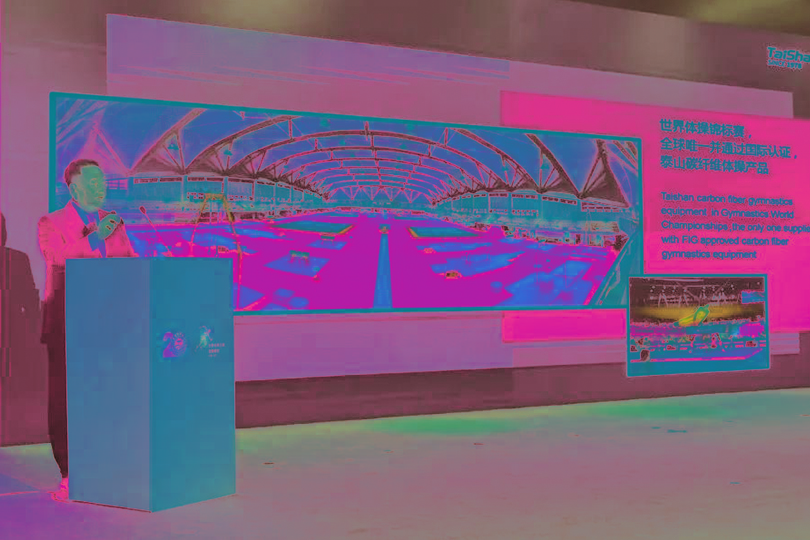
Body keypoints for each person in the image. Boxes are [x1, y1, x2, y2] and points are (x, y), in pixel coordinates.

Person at [37, 159, 137, 501]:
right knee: (66, 400)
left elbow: (129, 262)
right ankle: (70, 472)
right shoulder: (51, 222)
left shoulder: (114, 222)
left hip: (111, 323)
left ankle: (107, 464)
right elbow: (56, 257)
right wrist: (96, 237)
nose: (101, 185)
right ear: (74, 187)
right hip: (68, 323)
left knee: (109, 394)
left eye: (102, 180)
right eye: (93, 181)